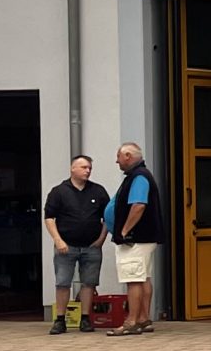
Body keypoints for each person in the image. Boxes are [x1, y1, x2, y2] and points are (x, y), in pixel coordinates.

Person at [41, 153, 111, 334]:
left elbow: (108, 216)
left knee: (89, 283)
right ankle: (60, 320)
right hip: (66, 245)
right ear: (72, 169)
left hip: (91, 246)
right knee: (63, 282)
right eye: (83, 167)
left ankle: (86, 319)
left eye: (89, 168)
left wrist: (102, 239)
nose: (87, 171)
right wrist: (57, 240)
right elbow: (49, 217)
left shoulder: (98, 191)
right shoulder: (59, 192)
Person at [104, 142, 165, 335]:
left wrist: (124, 230)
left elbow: (138, 205)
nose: (116, 161)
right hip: (143, 238)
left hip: (135, 239)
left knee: (133, 279)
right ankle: (144, 318)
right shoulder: (139, 175)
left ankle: (131, 321)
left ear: (128, 156)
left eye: (119, 157)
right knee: (144, 277)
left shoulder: (139, 177)